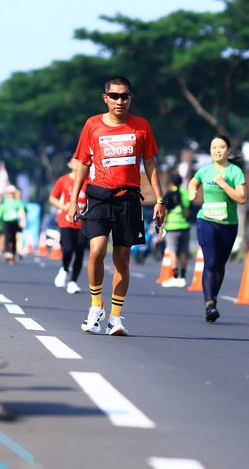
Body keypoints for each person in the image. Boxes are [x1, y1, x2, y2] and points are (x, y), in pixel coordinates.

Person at [68, 76, 166, 336]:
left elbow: (150, 163)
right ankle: (95, 307)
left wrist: (160, 199)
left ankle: (115, 318)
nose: (120, 101)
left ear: (130, 98)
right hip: (98, 197)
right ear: (106, 98)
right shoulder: (92, 125)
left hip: (128, 199)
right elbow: (83, 163)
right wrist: (73, 200)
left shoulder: (141, 126)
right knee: (97, 249)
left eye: (124, 96)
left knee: (122, 259)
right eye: (114, 96)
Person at [188, 135, 247, 322]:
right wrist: (192, 191)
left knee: (220, 265)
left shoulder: (235, 172)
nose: (217, 150)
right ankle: (209, 303)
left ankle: (213, 300)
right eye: (214, 147)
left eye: (221, 147)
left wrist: (223, 184)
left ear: (228, 150)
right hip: (207, 221)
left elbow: (241, 198)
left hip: (229, 224)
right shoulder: (205, 170)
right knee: (211, 262)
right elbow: (193, 182)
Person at [49, 157, 87, 294]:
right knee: (68, 248)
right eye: (75, 161)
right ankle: (65, 268)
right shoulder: (63, 180)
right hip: (66, 220)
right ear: (69, 164)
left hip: (83, 222)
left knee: (80, 251)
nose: (78, 164)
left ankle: (73, 282)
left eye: (80, 162)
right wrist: (63, 206)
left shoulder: (88, 180)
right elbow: (52, 197)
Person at [161, 173, 191, 288]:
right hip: (185, 226)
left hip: (172, 227)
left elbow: (165, 210)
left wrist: (162, 225)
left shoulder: (169, 194)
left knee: (173, 251)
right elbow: (189, 208)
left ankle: (175, 276)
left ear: (171, 182)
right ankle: (182, 277)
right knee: (183, 252)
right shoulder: (185, 193)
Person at [0, 185, 26, 263]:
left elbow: (22, 211)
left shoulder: (17, 202)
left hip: (14, 222)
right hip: (6, 221)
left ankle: (13, 252)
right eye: (9, 193)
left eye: (12, 193)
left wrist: (22, 220)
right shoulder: (5, 200)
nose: (10, 194)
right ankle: (7, 251)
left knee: (14, 237)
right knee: (7, 236)